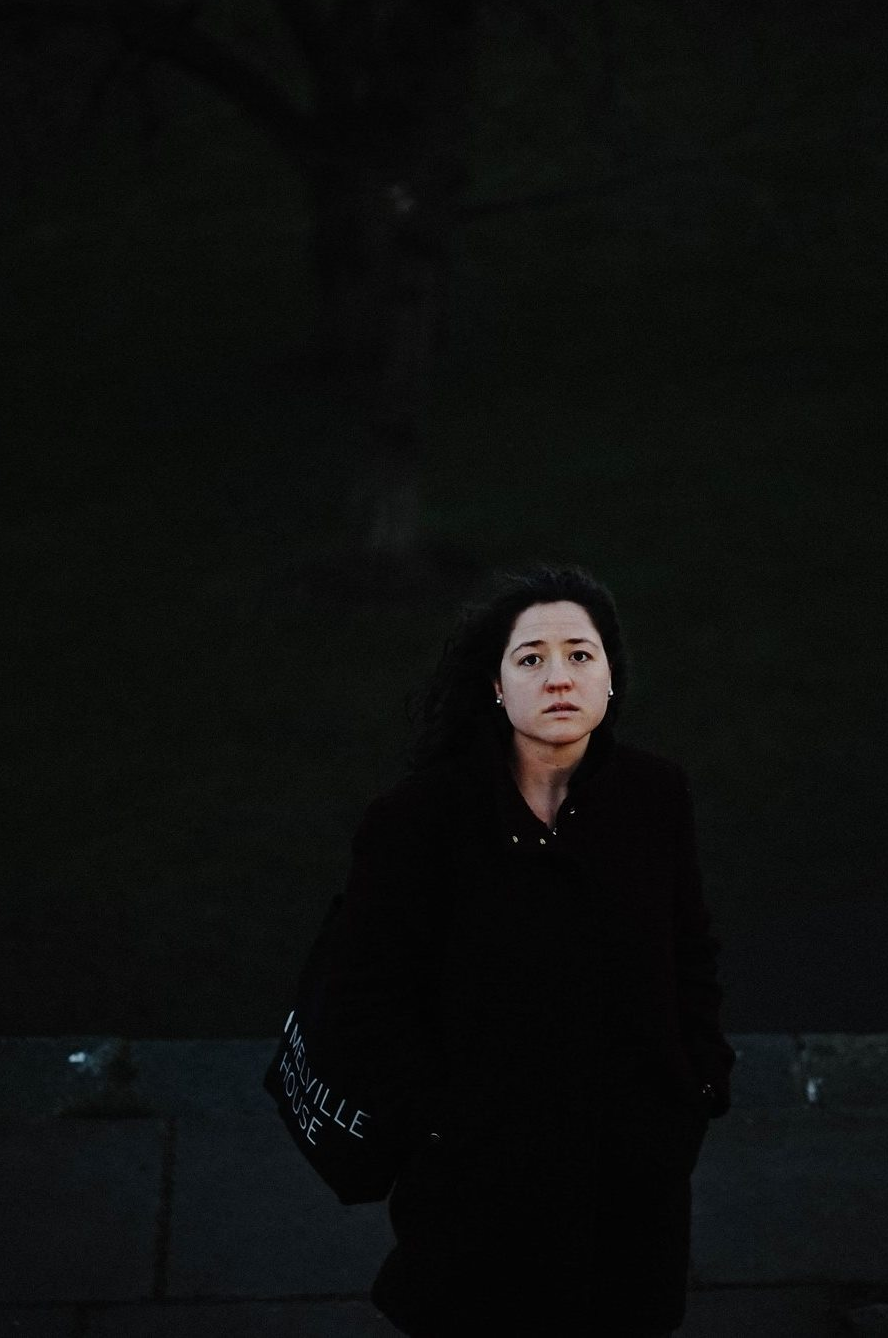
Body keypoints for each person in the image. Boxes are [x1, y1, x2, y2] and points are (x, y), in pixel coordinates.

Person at [326, 563, 734, 1337]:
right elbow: (364, 997)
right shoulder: (419, 821)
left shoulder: (654, 795)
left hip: (629, 1162)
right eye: (531, 657)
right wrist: (437, 1128)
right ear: (494, 685)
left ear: (611, 678)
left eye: (580, 654)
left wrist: (699, 1080)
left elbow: (688, 947)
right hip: (481, 1169)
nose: (558, 677)